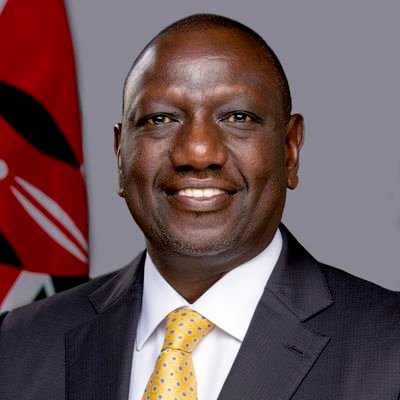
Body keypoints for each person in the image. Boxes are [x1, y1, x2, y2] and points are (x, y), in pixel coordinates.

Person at [0, 14, 399, 400]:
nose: (197, 151)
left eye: (238, 117)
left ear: (290, 150)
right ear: (120, 155)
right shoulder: (16, 345)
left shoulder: (388, 348)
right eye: (160, 119)